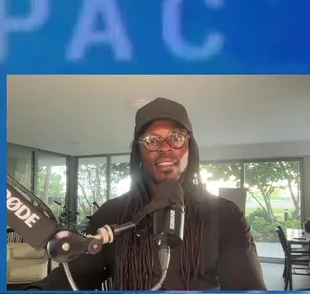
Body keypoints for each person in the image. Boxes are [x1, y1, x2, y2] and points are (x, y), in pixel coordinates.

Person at [23, 98, 267, 291]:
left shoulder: (225, 215)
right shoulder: (112, 213)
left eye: (176, 138)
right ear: (138, 152)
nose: (165, 149)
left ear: (189, 147)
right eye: (152, 140)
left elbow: (248, 287)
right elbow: (76, 275)